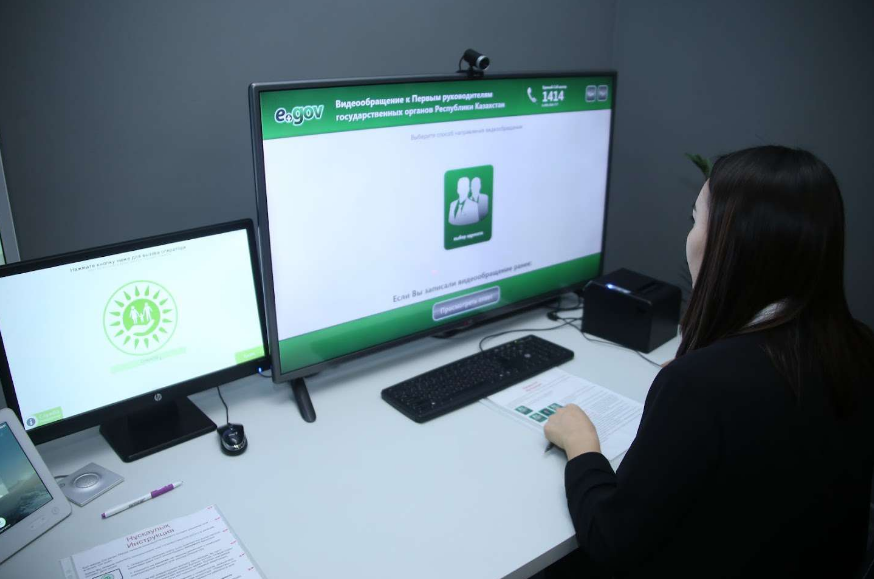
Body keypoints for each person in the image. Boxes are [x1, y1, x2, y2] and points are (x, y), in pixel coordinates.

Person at [544, 146, 874, 577]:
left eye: (695, 219)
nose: (690, 236)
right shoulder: (859, 346)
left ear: (730, 246)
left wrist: (582, 445)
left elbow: (610, 539)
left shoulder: (700, 387)